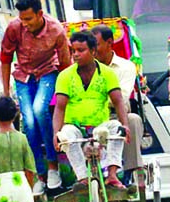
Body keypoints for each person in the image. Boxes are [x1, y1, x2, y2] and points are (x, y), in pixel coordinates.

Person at [0, 0, 72, 195]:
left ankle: (52, 166)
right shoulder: (15, 27)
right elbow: (5, 58)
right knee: (29, 121)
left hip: (48, 72)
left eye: (29, 19)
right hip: (23, 75)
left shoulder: (56, 30)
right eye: (22, 19)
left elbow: (66, 65)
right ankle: (39, 174)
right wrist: (6, 92)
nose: (25, 24)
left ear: (40, 14)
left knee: (41, 110)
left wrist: (66, 95)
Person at [53, 31, 130, 191]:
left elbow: (118, 101)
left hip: (100, 127)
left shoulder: (107, 74)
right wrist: (56, 133)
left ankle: (112, 174)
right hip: (76, 128)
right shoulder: (65, 76)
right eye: (73, 51)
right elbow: (59, 108)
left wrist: (125, 125)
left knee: (116, 127)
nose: (75, 55)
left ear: (93, 51)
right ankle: (83, 178)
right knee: (66, 133)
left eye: (81, 50)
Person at [90, 25, 145, 181]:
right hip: (92, 116)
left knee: (133, 120)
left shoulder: (126, 66)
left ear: (109, 43)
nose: (93, 50)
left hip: (116, 114)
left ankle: (129, 173)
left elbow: (122, 97)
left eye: (97, 45)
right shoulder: (86, 67)